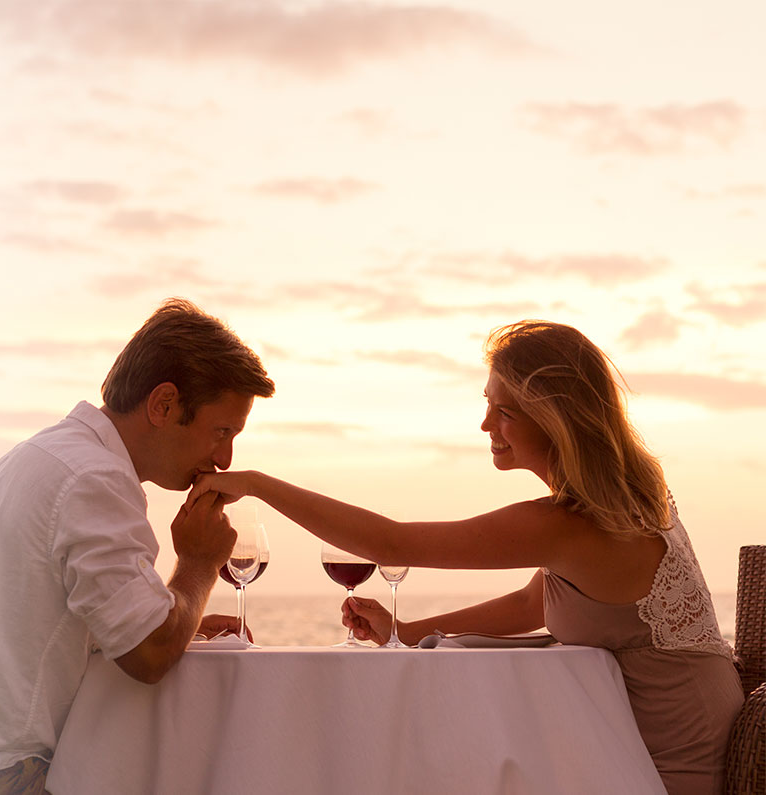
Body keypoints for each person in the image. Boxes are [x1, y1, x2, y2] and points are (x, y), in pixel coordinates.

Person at [186, 320, 743, 795]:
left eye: (504, 412)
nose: (485, 426)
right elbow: (535, 600)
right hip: (671, 733)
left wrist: (258, 484)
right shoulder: (625, 498)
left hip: (676, 764)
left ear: (553, 420)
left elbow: (392, 544)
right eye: (487, 404)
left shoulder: (570, 526)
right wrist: (408, 628)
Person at [0, 298, 275, 795]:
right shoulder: (95, 481)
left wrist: (179, 618)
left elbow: (54, 620)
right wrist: (198, 565)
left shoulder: (49, 453)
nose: (224, 457)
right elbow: (149, 654)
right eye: (221, 431)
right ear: (164, 404)